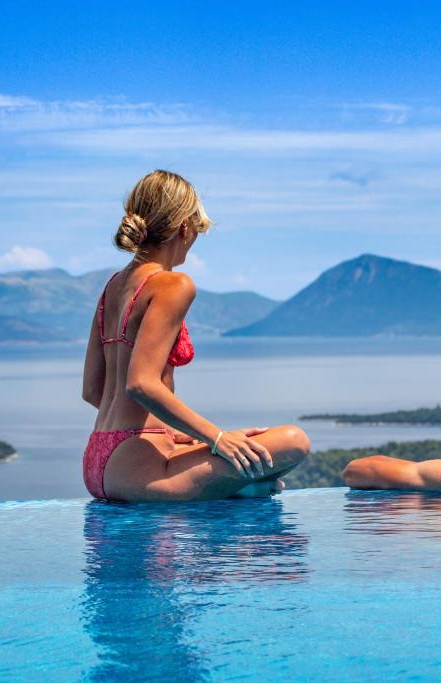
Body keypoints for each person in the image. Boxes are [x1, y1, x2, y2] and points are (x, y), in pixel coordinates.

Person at [81, 170, 310, 502]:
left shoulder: (112, 287)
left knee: (245, 453)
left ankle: (244, 488)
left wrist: (182, 436)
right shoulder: (174, 284)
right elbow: (141, 383)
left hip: (98, 460)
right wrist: (217, 438)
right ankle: (243, 488)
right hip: (138, 471)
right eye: (197, 228)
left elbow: (92, 391)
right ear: (184, 227)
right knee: (293, 440)